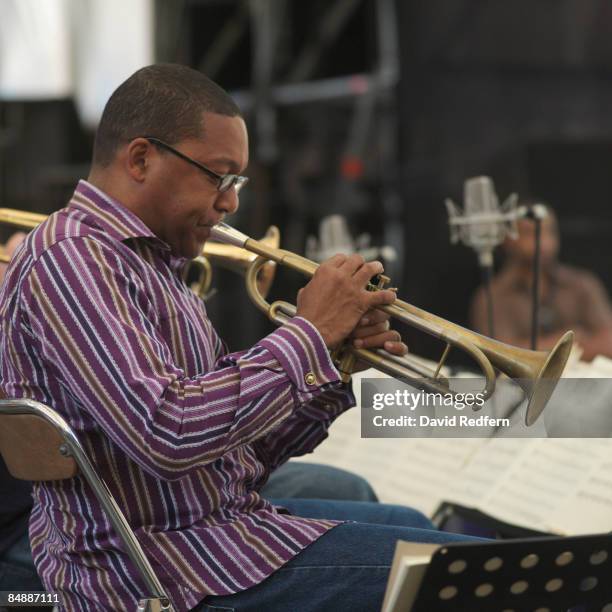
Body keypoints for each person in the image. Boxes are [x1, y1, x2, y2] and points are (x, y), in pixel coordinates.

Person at [0, 64, 475, 611]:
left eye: (237, 183)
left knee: (415, 529)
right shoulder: (74, 258)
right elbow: (169, 433)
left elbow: (234, 459)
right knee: (469, 578)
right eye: (219, 177)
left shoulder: (150, 266)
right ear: (140, 159)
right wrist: (310, 333)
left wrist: (335, 367)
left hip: (212, 537)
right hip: (161, 569)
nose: (231, 204)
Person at [470, 204, 612, 361]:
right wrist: (570, 342)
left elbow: (608, 342)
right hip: (522, 385)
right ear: (509, 238)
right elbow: (503, 356)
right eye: (530, 233)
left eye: (549, 232)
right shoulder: (492, 296)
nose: (543, 242)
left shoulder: (582, 284)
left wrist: (538, 349)